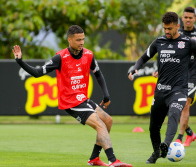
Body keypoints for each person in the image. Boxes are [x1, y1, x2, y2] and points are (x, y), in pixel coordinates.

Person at [13, 25, 132, 167]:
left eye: (83, 39)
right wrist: (20, 61)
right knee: (100, 125)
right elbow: (37, 73)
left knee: (108, 121)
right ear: (70, 40)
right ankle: (113, 161)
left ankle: (94, 159)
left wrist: (106, 95)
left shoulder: (89, 54)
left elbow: (98, 73)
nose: (81, 42)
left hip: (83, 99)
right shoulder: (60, 57)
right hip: (70, 102)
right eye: (78, 40)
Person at [128, 12, 196, 164]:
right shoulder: (159, 41)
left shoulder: (190, 42)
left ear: (178, 26)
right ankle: (156, 152)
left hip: (179, 90)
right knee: (153, 127)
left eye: (170, 28)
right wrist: (135, 68)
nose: (167, 32)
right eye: (164, 28)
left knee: (174, 114)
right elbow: (144, 57)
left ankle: (167, 144)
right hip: (161, 90)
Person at [152, 7, 196, 147]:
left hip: (192, 76)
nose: (188, 20)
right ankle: (190, 132)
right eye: (186, 17)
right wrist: (159, 69)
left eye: (191, 17)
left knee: (184, 106)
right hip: (174, 75)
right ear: (181, 19)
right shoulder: (174, 32)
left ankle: (179, 137)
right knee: (174, 107)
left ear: (195, 19)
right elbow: (164, 53)